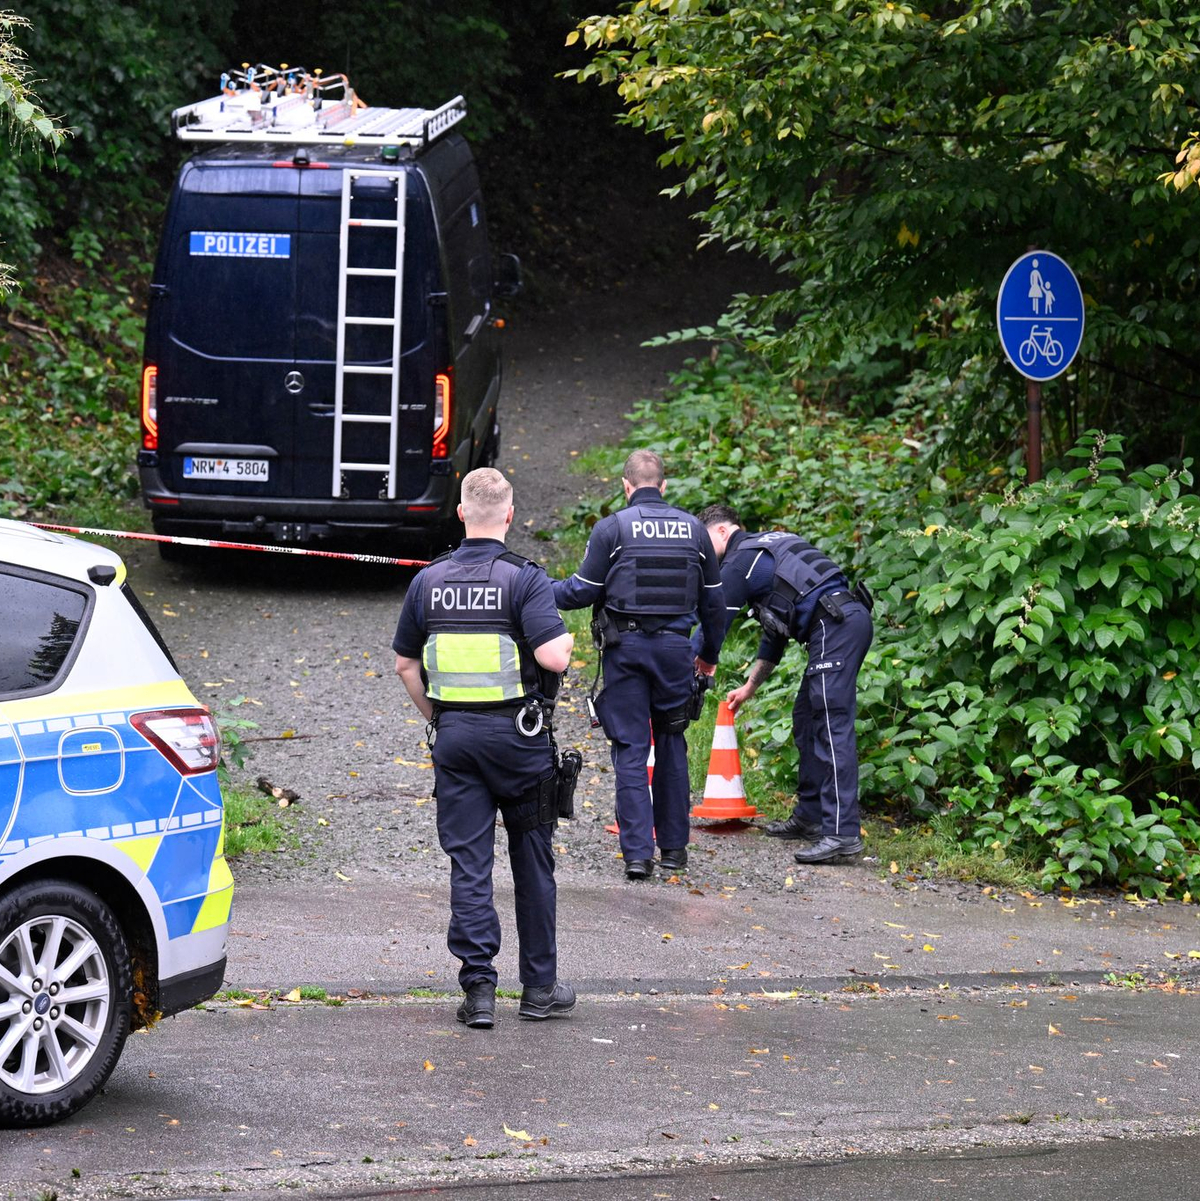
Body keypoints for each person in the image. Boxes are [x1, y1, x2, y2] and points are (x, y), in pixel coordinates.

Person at [393, 468, 576, 1028]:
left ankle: (478, 993)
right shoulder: (525, 580)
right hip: (518, 743)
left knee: (470, 865)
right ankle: (539, 990)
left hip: (456, 741)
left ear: (462, 513)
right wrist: (566, 637)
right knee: (532, 863)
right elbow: (554, 659)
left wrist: (441, 720)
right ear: (511, 516)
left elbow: (405, 664)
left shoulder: (429, 581)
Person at [555, 450, 725, 880]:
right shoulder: (694, 530)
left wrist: (532, 586)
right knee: (671, 743)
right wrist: (707, 657)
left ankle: (636, 855)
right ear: (663, 486)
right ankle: (674, 852)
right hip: (674, 651)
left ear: (626, 487)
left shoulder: (612, 528)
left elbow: (580, 591)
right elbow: (715, 605)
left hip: (625, 650)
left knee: (631, 748)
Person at [695, 505, 873, 864]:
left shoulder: (741, 558)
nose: (704, 558)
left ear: (724, 533)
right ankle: (810, 818)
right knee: (806, 719)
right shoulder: (765, 552)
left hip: (835, 625)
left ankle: (842, 834)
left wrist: (698, 663)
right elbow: (775, 632)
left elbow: (716, 621)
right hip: (839, 623)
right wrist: (750, 686)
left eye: (705, 543)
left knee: (831, 728)